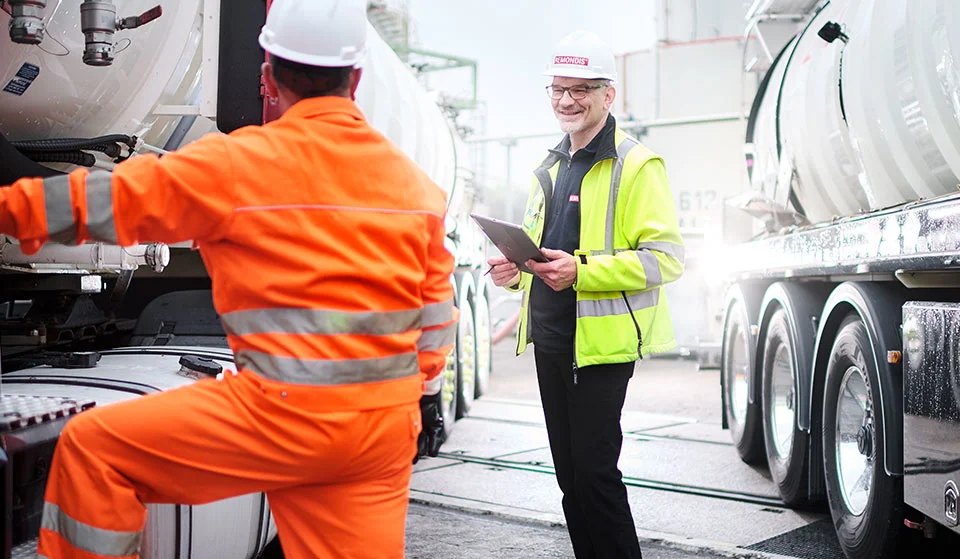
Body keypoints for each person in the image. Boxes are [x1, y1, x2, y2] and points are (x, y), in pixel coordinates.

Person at [0, 1, 454, 557]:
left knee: (96, 452)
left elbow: (104, 203)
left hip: (281, 418)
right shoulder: (416, 190)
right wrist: (420, 398)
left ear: (267, 75)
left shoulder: (237, 165)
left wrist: (10, 207)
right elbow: (435, 321)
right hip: (380, 430)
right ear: (356, 79)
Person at [487, 29, 684, 559]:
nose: (567, 100)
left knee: (596, 476)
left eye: (581, 89)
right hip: (551, 342)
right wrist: (516, 270)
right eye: (558, 89)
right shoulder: (548, 167)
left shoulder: (638, 165)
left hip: (600, 346)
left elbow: (665, 260)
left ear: (608, 95)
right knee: (570, 479)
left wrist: (580, 272)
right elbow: (545, 257)